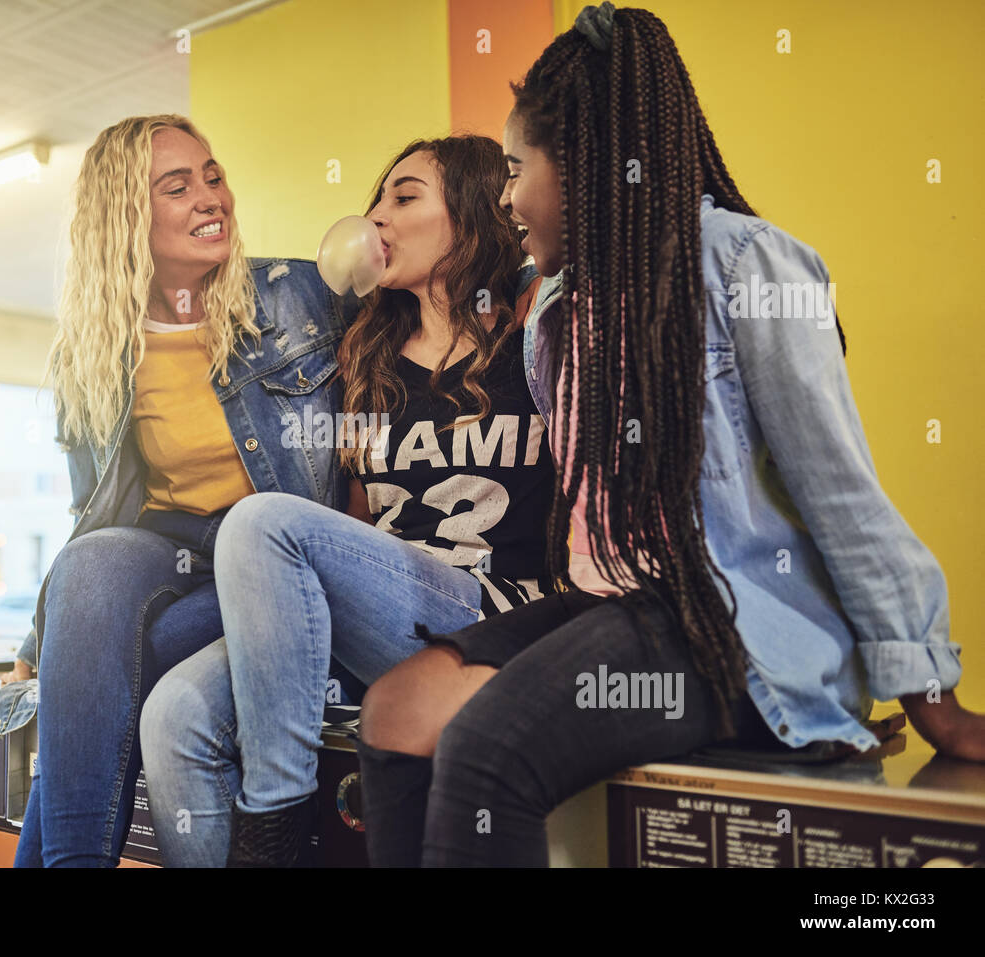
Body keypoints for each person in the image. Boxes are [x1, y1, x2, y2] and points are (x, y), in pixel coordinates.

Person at [355, 2, 985, 868]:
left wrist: (929, 692)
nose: (505, 197)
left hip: (720, 621)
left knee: (486, 752)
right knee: (396, 710)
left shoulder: (745, 262)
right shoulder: (555, 315)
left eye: (514, 168)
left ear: (579, 164)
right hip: (619, 608)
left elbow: (839, 488)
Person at [139, 133, 554, 867]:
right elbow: (358, 523)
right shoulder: (367, 358)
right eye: (376, 199)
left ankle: (274, 829)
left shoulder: (534, 334)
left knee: (261, 522)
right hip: (382, 618)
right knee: (175, 714)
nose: (376, 218)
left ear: (472, 210)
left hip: (492, 618)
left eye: (405, 196)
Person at [0, 114, 359, 867]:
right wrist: (38, 641)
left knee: (108, 673)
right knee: (89, 568)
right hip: (170, 547)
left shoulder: (302, 297)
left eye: (213, 176)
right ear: (128, 216)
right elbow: (91, 514)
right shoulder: (97, 352)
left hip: (272, 558)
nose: (209, 197)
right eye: (177, 186)